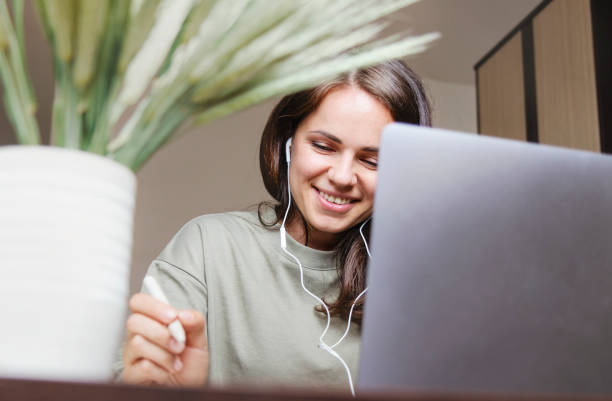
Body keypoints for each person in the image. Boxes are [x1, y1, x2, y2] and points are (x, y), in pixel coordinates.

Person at [118, 59, 431, 392]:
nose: (341, 177)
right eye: (323, 146)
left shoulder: (413, 281)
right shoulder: (209, 246)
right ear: (287, 143)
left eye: (371, 161)